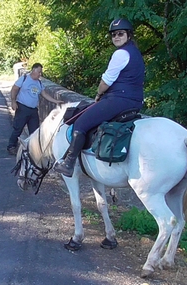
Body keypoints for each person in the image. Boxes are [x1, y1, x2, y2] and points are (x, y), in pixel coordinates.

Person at [53, 18, 145, 177]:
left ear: (128, 35)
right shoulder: (135, 53)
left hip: (119, 100)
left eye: (120, 34)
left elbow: (106, 81)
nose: (116, 37)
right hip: (135, 101)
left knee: (81, 123)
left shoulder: (121, 54)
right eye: (113, 35)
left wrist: (98, 94)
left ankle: (69, 163)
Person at [7, 63, 64, 155]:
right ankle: (11, 146)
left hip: (33, 110)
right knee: (18, 128)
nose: (40, 74)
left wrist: (56, 101)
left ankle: (32, 149)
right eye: (38, 72)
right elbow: (14, 89)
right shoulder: (24, 78)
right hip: (22, 107)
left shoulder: (39, 83)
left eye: (41, 72)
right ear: (33, 70)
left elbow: (44, 94)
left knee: (34, 131)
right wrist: (13, 101)